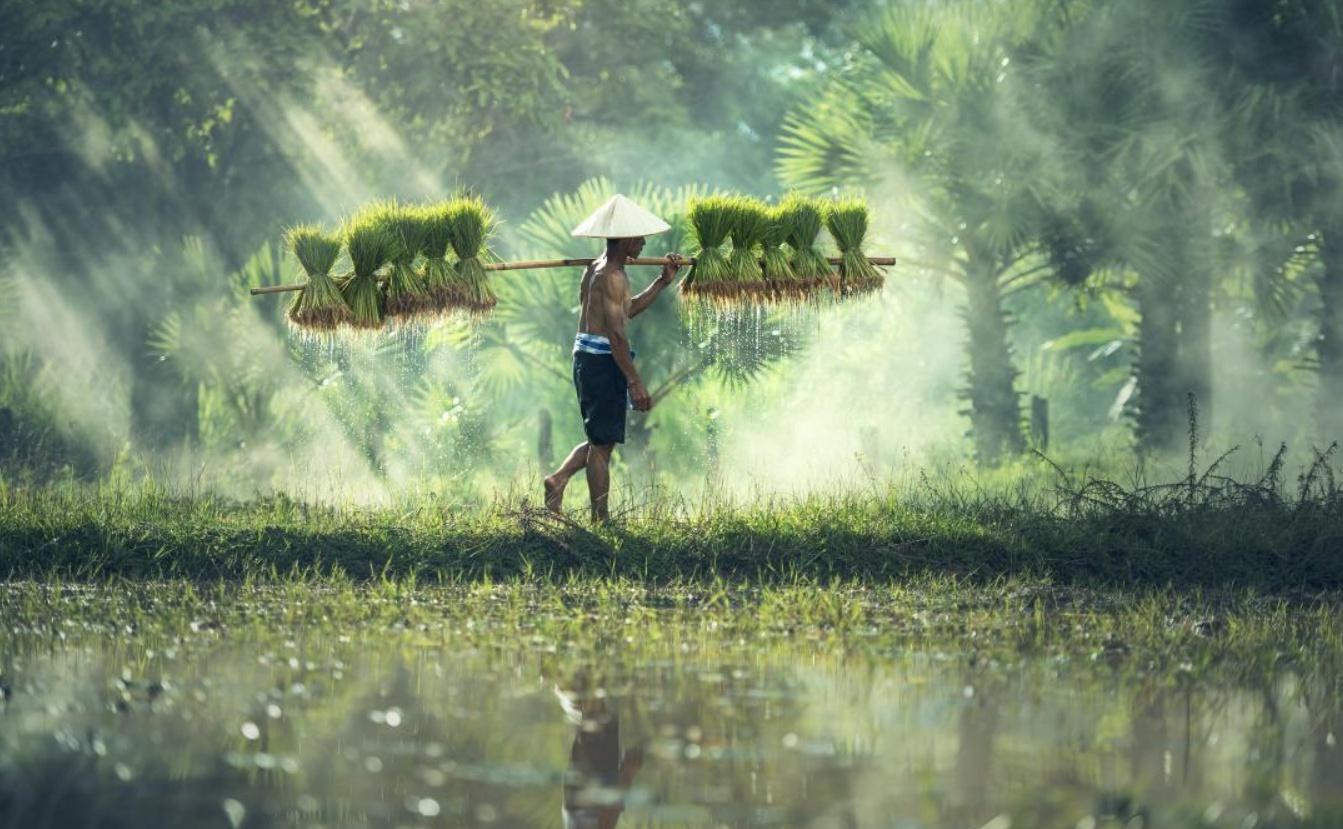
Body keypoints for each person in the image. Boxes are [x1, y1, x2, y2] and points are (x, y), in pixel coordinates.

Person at [544, 194, 682, 522]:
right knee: (603, 448)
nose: (644, 242)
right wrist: (635, 382)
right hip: (601, 360)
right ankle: (600, 520)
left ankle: (557, 480)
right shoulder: (613, 277)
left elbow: (626, 310)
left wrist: (662, 283)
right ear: (623, 240)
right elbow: (618, 335)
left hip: (588, 356)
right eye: (638, 237)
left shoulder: (597, 268)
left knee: (599, 438)